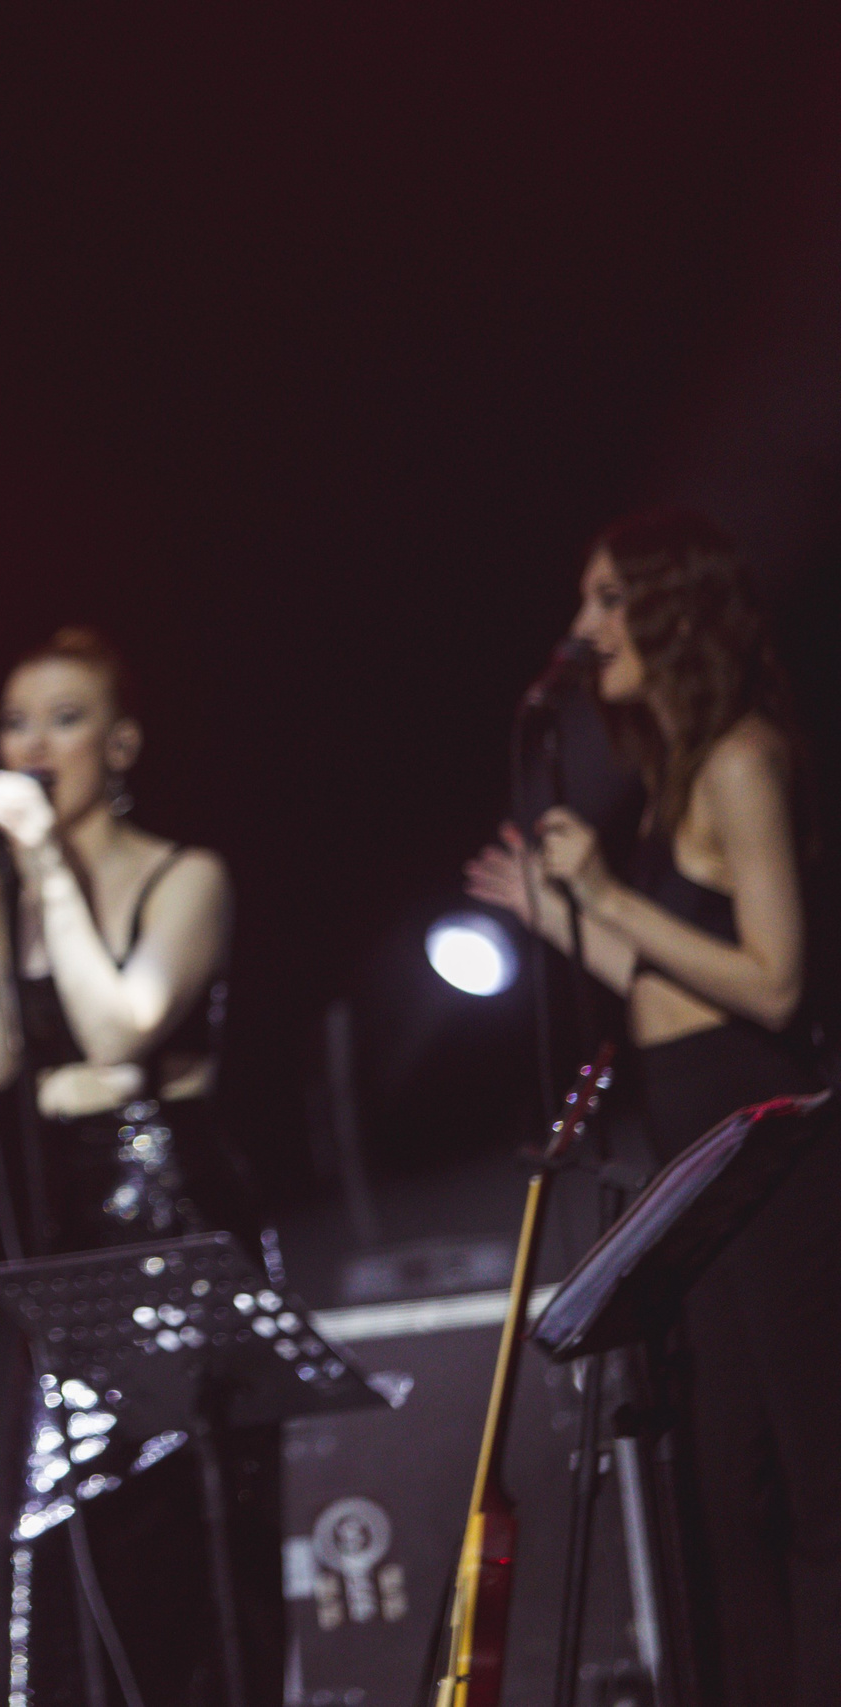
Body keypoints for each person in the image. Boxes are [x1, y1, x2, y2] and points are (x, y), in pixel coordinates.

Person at [466, 509, 833, 1706]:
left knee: (810, 1465)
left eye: (608, 598)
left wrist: (611, 896)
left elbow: (770, 980)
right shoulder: (671, 774)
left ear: (674, 606)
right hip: (684, 1130)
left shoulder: (738, 756)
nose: (584, 629)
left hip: (760, 1134)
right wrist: (560, 917)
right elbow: (674, 982)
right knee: (720, 1468)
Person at [0, 627, 277, 1706]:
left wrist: (45, 865)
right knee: (58, 1531)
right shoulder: (3, 889)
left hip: (171, 1224)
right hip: (66, 1233)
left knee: (185, 1532)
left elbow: (122, 1025)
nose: (35, 744)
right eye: (16, 721)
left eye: (66, 718)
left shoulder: (188, 877)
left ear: (121, 743)